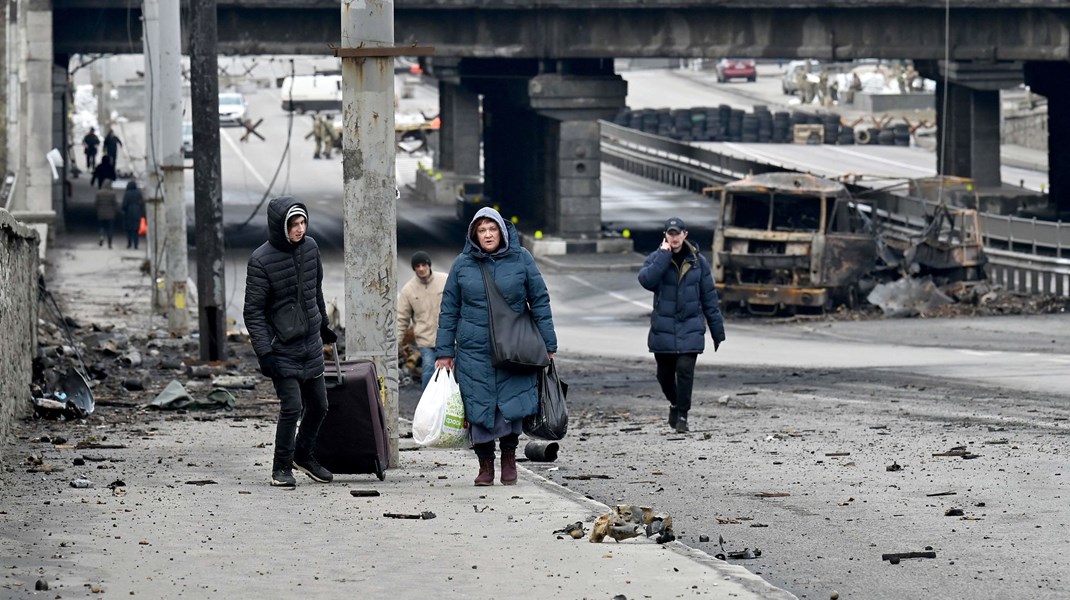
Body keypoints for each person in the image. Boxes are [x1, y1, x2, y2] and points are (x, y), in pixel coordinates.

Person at [434, 207, 557, 487]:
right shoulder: (462, 264)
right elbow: (449, 309)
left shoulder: (522, 259)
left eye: (492, 229)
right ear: (474, 234)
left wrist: (548, 344)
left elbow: (540, 300)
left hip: (514, 347)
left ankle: (509, 460)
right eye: (482, 230)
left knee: (510, 408)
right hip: (474, 350)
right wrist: (444, 352)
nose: (488, 234)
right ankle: (485, 466)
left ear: (502, 231)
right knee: (479, 409)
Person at [244, 196, 337, 488]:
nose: (299, 229)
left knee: (320, 405)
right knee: (292, 407)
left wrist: (323, 324)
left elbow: (314, 290)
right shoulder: (260, 260)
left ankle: (303, 455)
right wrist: (264, 353)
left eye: (302, 222)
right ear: (279, 226)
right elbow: (253, 311)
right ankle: (281, 468)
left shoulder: (310, 248)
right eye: (293, 224)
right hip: (281, 347)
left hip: (310, 344)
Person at [638, 217, 726, 434]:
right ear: (665, 236)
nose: (674, 237)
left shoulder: (698, 262)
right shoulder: (657, 258)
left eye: (678, 234)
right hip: (664, 328)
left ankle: (683, 415)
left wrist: (717, 331)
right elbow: (646, 280)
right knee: (664, 376)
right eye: (670, 234)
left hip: (690, 327)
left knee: (685, 371)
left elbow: (709, 298)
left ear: (685, 235)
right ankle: (675, 404)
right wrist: (663, 256)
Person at [397, 251, 447, 390]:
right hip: (426, 340)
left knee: (452, 372)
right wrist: (396, 343)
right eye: (417, 266)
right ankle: (427, 404)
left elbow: (461, 305)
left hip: (448, 337)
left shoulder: (445, 280)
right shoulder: (408, 290)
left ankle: (451, 404)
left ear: (429, 265)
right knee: (429, 369)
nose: (421, 268)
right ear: (414, 269)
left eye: (424, 264)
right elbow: (402, 318)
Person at [94, 179, 119, 249]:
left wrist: (97, 210)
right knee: (110, 229)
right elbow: (115, 204)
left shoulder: (99, 193)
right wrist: (115, 211)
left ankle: (101, 236)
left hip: (101, 213)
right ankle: (109, 243)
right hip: (110, 214)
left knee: (101, 226)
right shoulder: (112, 194)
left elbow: (96, 203)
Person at [120, 181, 145, 250]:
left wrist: (123, 210)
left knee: (129, 229)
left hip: (128, 213)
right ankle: (136, 244)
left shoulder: (127, 194)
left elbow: (124, 204)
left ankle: (129, 243)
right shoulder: (138, 193)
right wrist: (141, 211)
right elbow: (142, 203)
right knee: (136, 229)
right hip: (137, 212)